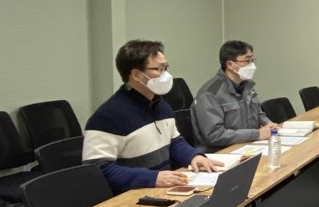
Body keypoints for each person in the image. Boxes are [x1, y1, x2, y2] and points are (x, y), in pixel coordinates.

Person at [83, 39, 223, 193]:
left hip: (162, 189)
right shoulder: (107, 117)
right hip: (133, 195)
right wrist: (152, 178)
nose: (166, 75)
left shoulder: (161, 105)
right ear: (136, 74)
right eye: (159, 69)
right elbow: (98, 170)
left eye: (166, 67)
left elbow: (174, 142)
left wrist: (194, 157)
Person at [192, 39, 271, 149]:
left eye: (252, 60)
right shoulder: (210, 93)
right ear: (230, 64)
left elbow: (259, 115)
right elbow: (214, 135)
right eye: (247, 61)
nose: (252, 65)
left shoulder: (247, 87)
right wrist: (257, 134)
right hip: (220, 152)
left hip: (247, 145)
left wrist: (268, 124)